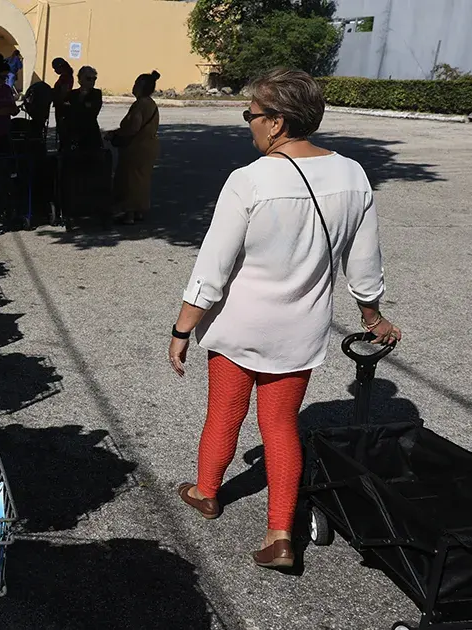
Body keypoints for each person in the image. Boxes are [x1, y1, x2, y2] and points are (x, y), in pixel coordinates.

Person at [169, 67, 403, 571]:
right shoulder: (353, 175)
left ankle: (206, 491)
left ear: (276, 123)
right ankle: (280, 532)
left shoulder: (249, 180)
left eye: (251, 114)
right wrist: (373, 315)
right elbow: (363, 264)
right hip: (300, 329)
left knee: (224, 415)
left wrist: (182, 327)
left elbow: (213, 266)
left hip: (239, 326)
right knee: (280, 425)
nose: (248, 123)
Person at [107, 70, 161, 224]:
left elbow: (134, 127)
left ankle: (129, 213)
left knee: (130, 180)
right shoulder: (151, 103)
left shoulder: (140, 104)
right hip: (149, 146)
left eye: (136, 83)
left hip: (137, 147)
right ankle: (139, 211)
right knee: (142, 180)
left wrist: (117, 135)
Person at [61, 66, 110, 226]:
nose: (92, 82)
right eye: (89, 78)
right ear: (80, 78)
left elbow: (91, 112)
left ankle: (95, 209)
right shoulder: (72, 94)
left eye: (94, 79)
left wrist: (79, 108)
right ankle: (72, 210)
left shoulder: (96, 94)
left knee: (95, 173)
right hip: (73, 137)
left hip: (91, 137)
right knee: (73, 174)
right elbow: (66, 112)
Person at [51, 58, 75, 150]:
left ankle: (64, 149)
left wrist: (55, 96)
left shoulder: (65, 77)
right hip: (62, 104)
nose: (55, 71)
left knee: (62, 129)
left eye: (55, 68)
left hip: (62, 105)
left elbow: (64, 92)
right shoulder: (68, 76)